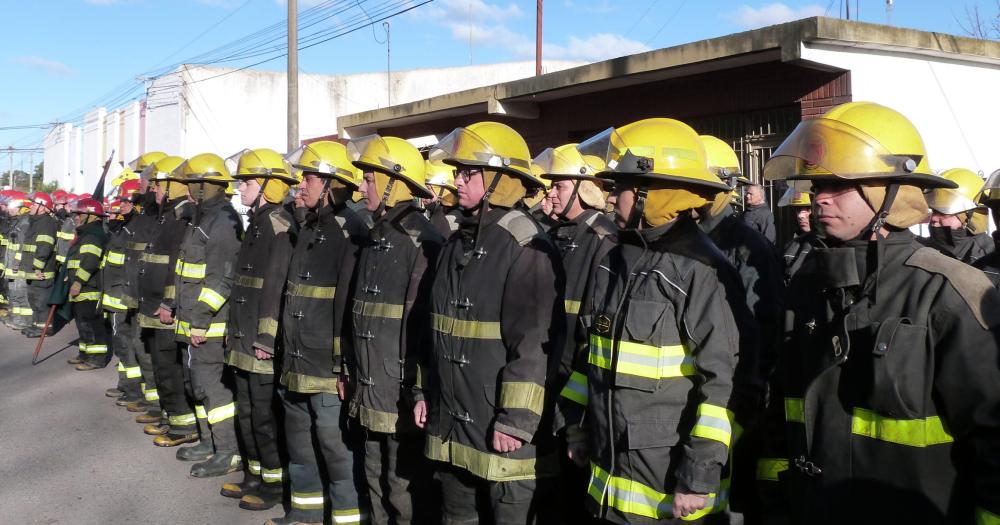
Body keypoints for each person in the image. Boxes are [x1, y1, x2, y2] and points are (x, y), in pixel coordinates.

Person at [758, 101, 1000, 524]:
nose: (819, 199)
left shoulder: (947, 291)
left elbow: (993, 439)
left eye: (837, 185)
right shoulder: (808, 283)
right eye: (816, 187)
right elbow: (784, 407)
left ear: (888, 191)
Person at [558, 118, 745, 523]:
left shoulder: (701, 271)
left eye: (620, 188)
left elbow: (724, 388)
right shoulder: (613, 262)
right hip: (607, 480)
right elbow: (587, 358)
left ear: (652, 193)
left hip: (669, 491)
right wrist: (575, 427)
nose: (610, 199)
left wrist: (697, 477)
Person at [419, 121, 564, 524]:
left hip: (501, 431)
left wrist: (515, 421)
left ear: (499, 179)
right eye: (458, 172)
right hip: (453, 423)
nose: (458, 181)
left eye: (469, 173)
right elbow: (435, 329)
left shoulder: (524, 245)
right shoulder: (457, 241)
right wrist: (422, 391)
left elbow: (534, 342)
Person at [267, 140, 369, 525]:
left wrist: (343, 365)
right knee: (300, 445)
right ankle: (305, 515)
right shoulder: (308, 226)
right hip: (295, 360)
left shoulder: (351, 230)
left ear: (329, 183)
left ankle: (347, 518)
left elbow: (348, 307)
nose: (300, 185)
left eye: (308, 177)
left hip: (327, 368)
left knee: (335, 449)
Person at [347, 134, 444, 524]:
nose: (361, 186)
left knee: (402, 479)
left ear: (394, 181)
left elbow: (421, 324)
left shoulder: (423, 238)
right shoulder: (378, 231)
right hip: (371, 379)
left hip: (400, 385)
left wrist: (415, 388)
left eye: (369, 178)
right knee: (373, 469)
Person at [160, 153, 244, 478]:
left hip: (206, 326)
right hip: (189, 323)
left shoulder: (222, 223)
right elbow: (184, 273)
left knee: (212, 389)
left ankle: (227, 451)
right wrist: (174, 308)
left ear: (208, 185)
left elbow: (221, 279)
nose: (190, 189)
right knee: (195, 386)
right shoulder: (200, 219)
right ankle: (208, 443)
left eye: (194, 183)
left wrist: (200, 320)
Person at [225, 148, 298, 511]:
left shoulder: (279, 224)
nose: (241, 187)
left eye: (247, 181)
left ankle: (274, 483)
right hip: (242, 335)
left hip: (260, 341)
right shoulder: (258, 220)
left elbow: (276, 286)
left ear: (269, 186)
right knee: (247, 412)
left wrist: (267, 337)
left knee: (264, 417)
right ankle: (254, 475)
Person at [137, 156, 200, 447]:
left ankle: (182, 424)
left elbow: (178, 265)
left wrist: (168, 303)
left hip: (165, 309)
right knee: (160, 365)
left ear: (174, 186)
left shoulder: (183, 217)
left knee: (170, 368)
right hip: (152, 305)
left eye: (159, 184)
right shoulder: (167, 215)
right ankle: (169, 415)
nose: (154, 189)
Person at [66, 198, 112, 371]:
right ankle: (85, 354)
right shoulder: (86, 233)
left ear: (90, 216)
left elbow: (90, 262)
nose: (76, 217)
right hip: (83, 286)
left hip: (89, 287)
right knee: (82, 323)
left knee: (91, 323)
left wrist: (77, 282)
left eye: (79, 214)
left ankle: (96, 359)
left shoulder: (92, 236)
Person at [922, 167, 994, 265]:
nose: (934, 218)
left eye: (943, 213)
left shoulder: (989, 258)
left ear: (969, 217)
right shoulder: (921, 247)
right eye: (934, 211)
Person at [19, 192, 58, 338]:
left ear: (42, 207)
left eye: (35, 204)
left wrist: (37, 267)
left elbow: (44, 247)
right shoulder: (36, 221)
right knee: (34, 300)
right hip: (32, 271)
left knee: (41, 301)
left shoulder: (46, 223)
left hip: (41, 272)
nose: (31, 206)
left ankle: (44, 328)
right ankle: (36, 325)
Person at [777, 186, 816, 282]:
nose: (800, 216)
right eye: (798, 210)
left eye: (808, 209)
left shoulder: (832, 247)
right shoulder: (790, 245)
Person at [424, 158, 462, 238]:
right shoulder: (444, 214)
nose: (423, 194)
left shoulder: (451, 222)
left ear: (443, 191)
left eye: (428, 188)